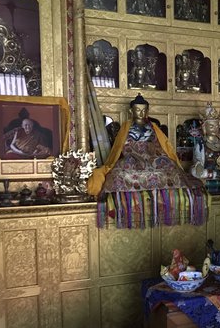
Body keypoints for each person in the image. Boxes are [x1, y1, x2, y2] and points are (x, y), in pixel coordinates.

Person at [87, 94, 207, 228]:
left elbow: (163, 146)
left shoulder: (153, 127)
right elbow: (119, 147)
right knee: (119, 173)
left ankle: (163, 202)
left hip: (153, 157)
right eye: (138, 110)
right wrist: (131, 152)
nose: (141, 113)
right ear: (131, 111)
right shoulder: (126, 127)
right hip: (132, 157)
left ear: (148, 111)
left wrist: (155, 154)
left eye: (144, 110)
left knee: (171, 168)